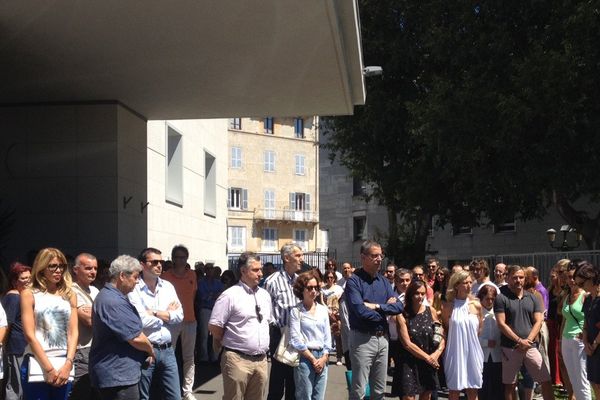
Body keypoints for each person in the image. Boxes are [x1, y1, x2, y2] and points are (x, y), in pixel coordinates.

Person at [208, 252, 272, 400]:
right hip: (237, 359)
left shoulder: (265, 295)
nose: (260, 274)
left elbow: (266, 322)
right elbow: (215, 326)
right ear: (243, 271)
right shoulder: (230, 295)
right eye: (255, 270)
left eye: (260, 269)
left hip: (261, 360)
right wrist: (232, 341)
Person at [89, 255, 154, 400]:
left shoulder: (113, 298)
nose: (137, 282)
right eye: (136, 277)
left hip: (118, 374)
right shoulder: (112, 301)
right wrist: (150, 350)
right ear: (122, 276)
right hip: (117, 377)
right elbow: (135, 337)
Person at [345, 240, 403, 400]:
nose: (379, 259)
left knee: (379, 390)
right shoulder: (353, 281)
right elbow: (360, 310)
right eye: (374, 256)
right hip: (363, 340)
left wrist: (377, 306)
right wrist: (385, 309)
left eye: (380, 255)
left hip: (383, 340)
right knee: (359, 390)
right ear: (363, 257)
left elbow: (399, 306)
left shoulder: (383, 281)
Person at [21, 248, 78, 400]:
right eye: (52, 266)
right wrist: (49, 368)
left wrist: (68, 363)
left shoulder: (70, 295)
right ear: (41, 267)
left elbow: (73, 332)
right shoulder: (29, 294)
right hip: (37, 362)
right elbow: (29, 335)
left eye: (62, 266)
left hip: (64, 362)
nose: (58, 270)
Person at [128, 248, 183, 400]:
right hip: (145, 350)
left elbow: (180, 315)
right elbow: (141, 320)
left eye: (162, 262)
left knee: (175, 397)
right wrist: (166, 315)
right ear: (142, 265)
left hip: (168, 349)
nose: (159, 265)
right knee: (143, 397)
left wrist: (155, 312)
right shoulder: (134, 288)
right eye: (154, 262)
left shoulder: (168, 287)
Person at [494, 265, 555, 400]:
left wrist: (528, 341)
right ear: (508, 278)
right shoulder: (501, 298)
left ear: (524, 279)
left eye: (521, 277)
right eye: (514, 277)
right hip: (510, 347)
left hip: (530, 346)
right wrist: (519, 340)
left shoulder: (533, 297)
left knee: (545, 380)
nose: (518, 280)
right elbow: (501, 323)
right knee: (510, 385)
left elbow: (539, 321)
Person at [264, 243, 303, 400]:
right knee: (277, 382)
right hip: (279, 336)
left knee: (294, 381)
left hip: (297, 336)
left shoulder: (300, 281)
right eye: (298, 255)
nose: (302, 259)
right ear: (287, 258)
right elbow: (266, 310)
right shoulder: (272, 281)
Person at [394, 280, 445, 400]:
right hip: (409, 361)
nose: (420, 297)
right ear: (410, 294)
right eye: (417, 293)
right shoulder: (402, 314)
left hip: (428, 361)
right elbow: (407, 344)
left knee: (426, 395)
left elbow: (440, 334)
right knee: (408, 397)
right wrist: (428, 358)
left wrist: (436, 354)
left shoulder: (430, 311)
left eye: (423, 293)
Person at [161, 245, 197, 400]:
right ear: (173, 258)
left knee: (189, 358)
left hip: (190, 320)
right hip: (172, 322)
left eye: (183, 257)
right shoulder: (165, 276)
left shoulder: (193, 275)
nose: (180, 260)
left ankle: (187, 391)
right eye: (177, 257)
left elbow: (193, 296)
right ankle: (170, 388)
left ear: (187, 259)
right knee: (170, 356)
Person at [441, 270, 483, 400]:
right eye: (465, 283)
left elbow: (479, 328)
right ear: (457, 285)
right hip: (455, 351)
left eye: (471, 282)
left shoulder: (476, 305)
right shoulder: (448, 306)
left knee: (473, 389)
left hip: (473, 351)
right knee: (454, 389)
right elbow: (447, 328)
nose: (469, 285)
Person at [289, 270, 332, 400]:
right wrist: (313, 359)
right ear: (301, 290)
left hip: (322, 357)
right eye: (309, 288)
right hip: (305, 358)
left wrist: (324, 357)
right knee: (304, 396)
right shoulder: (296, 311)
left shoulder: (323, 310)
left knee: (319, 397)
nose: (313, 291)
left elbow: (327, 336)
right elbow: (295, 339)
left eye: (316, 287)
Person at [70, 253, 100, 399]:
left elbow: (109, 317)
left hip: (98, 347)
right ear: (76, 269)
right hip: (83, 350)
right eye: (88, 268)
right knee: (81, 392)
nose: (93, 272)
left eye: (95, 268)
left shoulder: (95, 291)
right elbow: (89, 321)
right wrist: (99, 312)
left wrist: (94, 312)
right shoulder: (72, 291)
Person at [560, 262, 591, 400]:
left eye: (573, 277)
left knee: (582, 380)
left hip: (579, 341)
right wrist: (561, 339)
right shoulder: (567, 296)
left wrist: (585, 334)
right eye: (568, 277)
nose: (571, 280)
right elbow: (565, 320)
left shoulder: (585, 296)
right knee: (573, 380)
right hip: (566, 340)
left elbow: (591, 317)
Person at [2, 262, 32, 400]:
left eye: (29, 277)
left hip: (27, 347)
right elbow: (6, 324)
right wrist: (4, 346)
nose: (27, 281)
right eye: (23, 278)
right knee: (15, 385)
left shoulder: (25, 296)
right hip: (16, 347)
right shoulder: (13, 296)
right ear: (14, 282)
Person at [577, 262, 600, 399]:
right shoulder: (587, 299)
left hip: (597, 345)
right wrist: (586, 342)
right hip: (591, 346)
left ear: (591, 278)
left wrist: (595, 344)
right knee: (594, 382)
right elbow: (585, 322)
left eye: (582, 283)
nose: (580, 287)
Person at [477, 284, 502, 400]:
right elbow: (473, 336)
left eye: (493, 299)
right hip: (482, 354)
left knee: (497, 384)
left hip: (497, 354)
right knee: (484, 385)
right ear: (481, 298)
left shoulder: (499, 313)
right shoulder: (476, 313)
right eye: (487, 298)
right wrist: (486, 343)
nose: (490, 301)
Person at [196, 264, 223, 362]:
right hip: (205, 309)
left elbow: (221, 296)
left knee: (216, 335)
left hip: (217, 310)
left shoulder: (218, 282)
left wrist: (210, 295)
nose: (210, 270)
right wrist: (213, 295)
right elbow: (202, 296)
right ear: (205, 270)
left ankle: (215, 357)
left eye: (212, 268)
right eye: (208, 269)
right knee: (204, 335)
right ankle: (204, 357)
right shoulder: (200, 282)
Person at [321, 271, 344, 366]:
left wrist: (336, 312)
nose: (330, 279)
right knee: (326, 337)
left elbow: (342, 300)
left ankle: (339, 357)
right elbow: (322, 301)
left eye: (331, 277)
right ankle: (326, 357)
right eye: (328, 277)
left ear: (334, 278)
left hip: (337, 315)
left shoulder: (339, 288)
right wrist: (327, 310)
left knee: (338, 337)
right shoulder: (322, 289)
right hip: (326, 315)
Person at [547, 266, 563, 387]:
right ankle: (555, 378)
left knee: (560, 351)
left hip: (560, 323)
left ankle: (561, 379)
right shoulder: (550, 289)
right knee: (552, 350)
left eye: (553, 276)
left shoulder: (563, 291)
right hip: (551, 322)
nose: (551, 279)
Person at [338, 262, 354, 369]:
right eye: (344, 268)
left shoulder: (355, 281)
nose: (346, 270)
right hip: (343, 310)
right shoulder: (339, 283)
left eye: (348, 268)